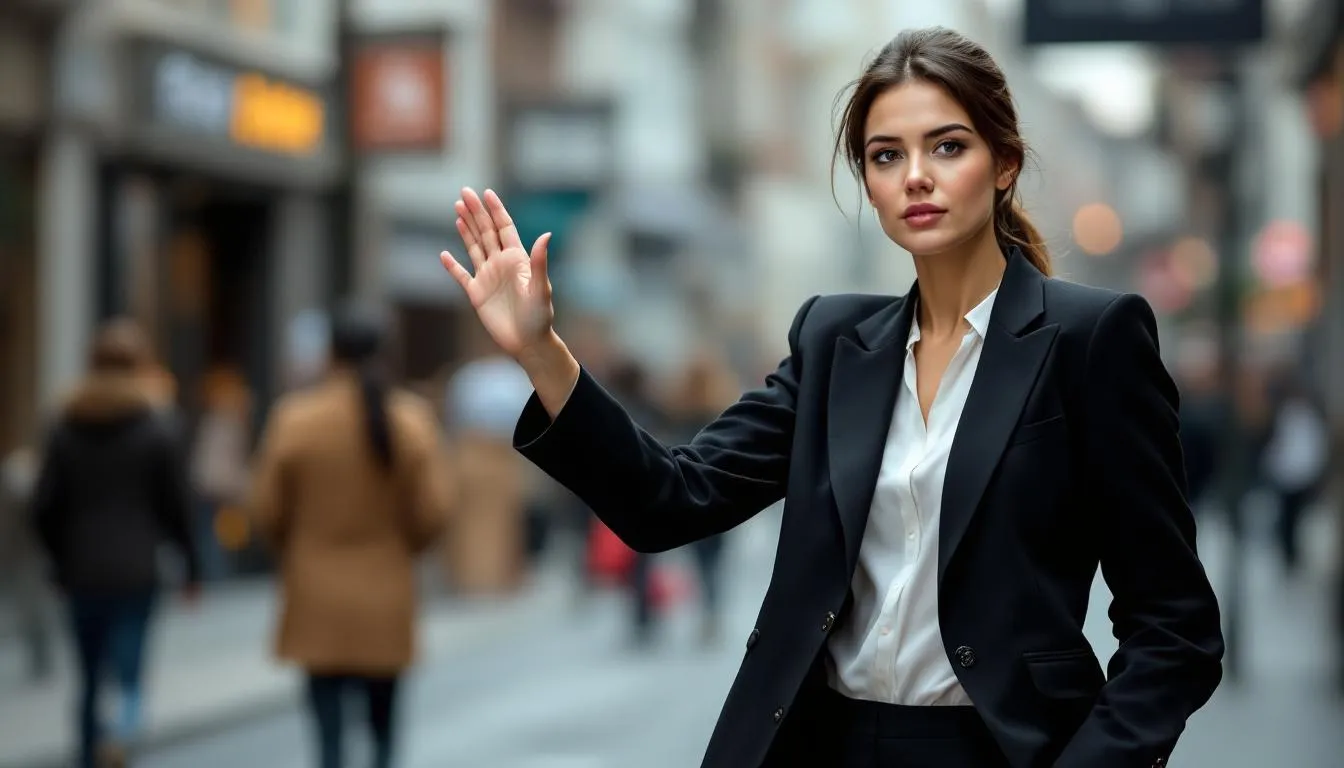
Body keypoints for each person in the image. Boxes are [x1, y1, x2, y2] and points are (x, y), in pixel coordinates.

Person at [439, 27, 1223, 768]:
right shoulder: (835, 343)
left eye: (948, 146)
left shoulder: (1090, 339)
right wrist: (541, 351)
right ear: (869, 185)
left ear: (1004, 163)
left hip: (1000, 748)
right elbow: (668, 500)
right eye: (886, 155)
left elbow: (1174, 627)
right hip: (825, 744)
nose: (916, 176)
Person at [249, 303, 449, 768]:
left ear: (329, 353)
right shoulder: (410, 421)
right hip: (386, 590)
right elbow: (434, 512)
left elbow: (265, 508)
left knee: (328, 740)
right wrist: (404, 548)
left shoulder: (295, 419)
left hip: (315, 590)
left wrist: (295, 548)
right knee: (383, 731)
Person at [30, 318, 200, 768]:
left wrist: (57, 559)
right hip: (135, 568)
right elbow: (177, 505)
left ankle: (90, 752)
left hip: (81, 569)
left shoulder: (66, 424)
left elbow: (44, 505)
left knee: (89, 676)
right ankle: (122, 741)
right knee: (129, 673)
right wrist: (192, 566)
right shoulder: (156, 426)